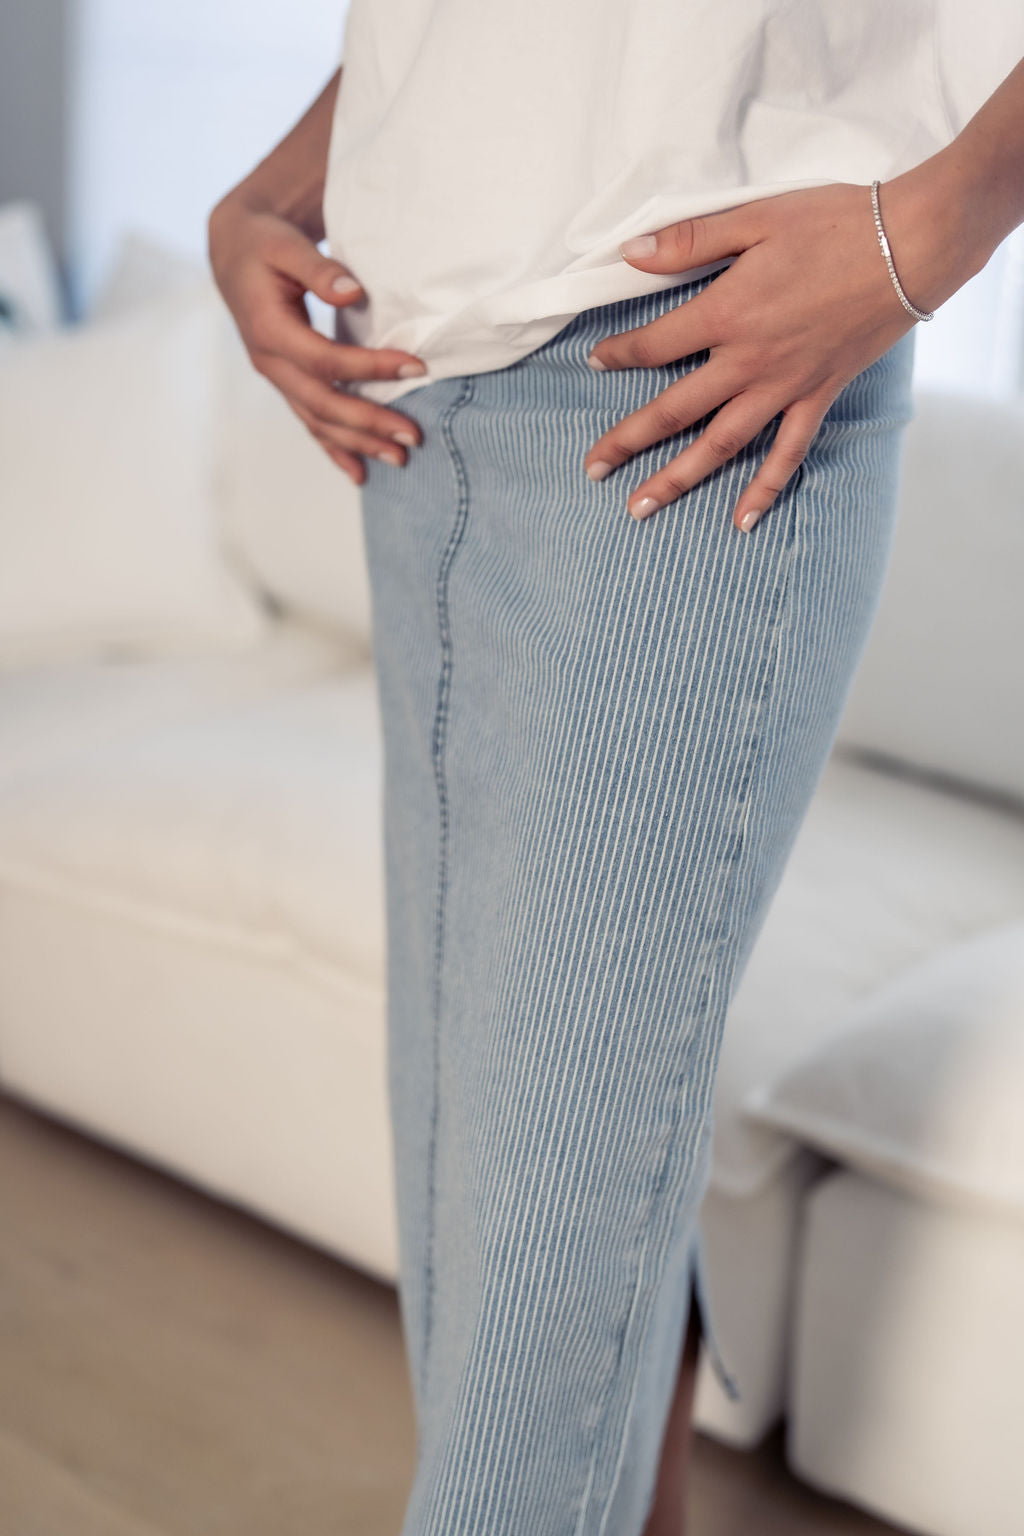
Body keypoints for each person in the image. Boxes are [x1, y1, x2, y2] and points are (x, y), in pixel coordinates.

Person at [209, 8, 1024, 1534]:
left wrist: (936, 224)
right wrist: (274, 188)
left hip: (696, 373)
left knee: (520, 1382)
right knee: (481, 1256)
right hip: (417, 388)